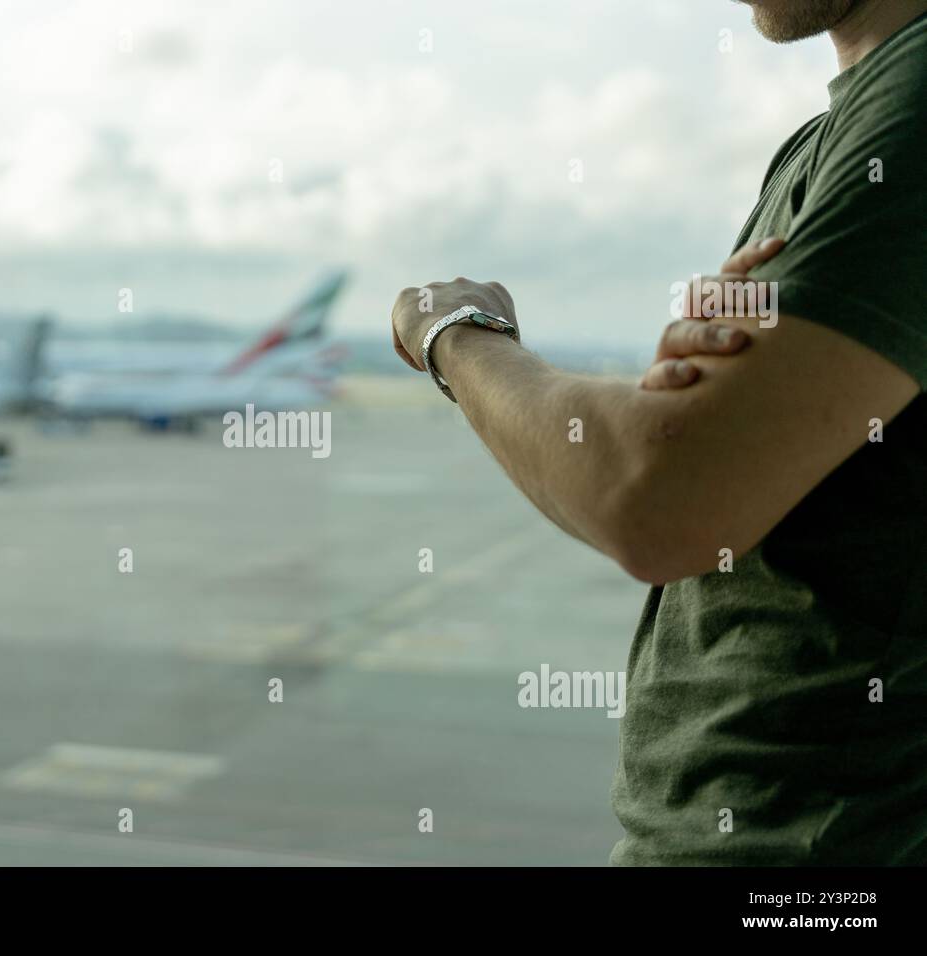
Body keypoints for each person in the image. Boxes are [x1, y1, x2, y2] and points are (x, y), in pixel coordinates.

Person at [389, 0, 927, 864]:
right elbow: (700, 435)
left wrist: (455, 333)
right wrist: (692, 408)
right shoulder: (821, 141)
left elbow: (655, 494)